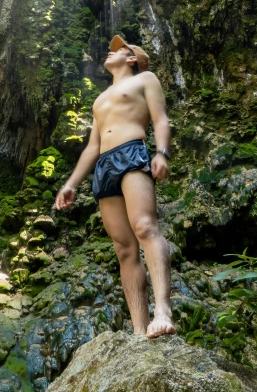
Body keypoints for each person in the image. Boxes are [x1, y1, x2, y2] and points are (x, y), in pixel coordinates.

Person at [55, 35, 175, 338]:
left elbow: (161, 119)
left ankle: (162, 310)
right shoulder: (100, 99)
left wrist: (161, 152)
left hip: (132, 151)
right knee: (123, 248)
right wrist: (71, 184)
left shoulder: (145, 79)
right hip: (104, 165)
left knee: (145, 227)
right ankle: (138, 330)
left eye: (118, 49)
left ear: (132, 58)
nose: (109, 51)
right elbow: (92, 147)